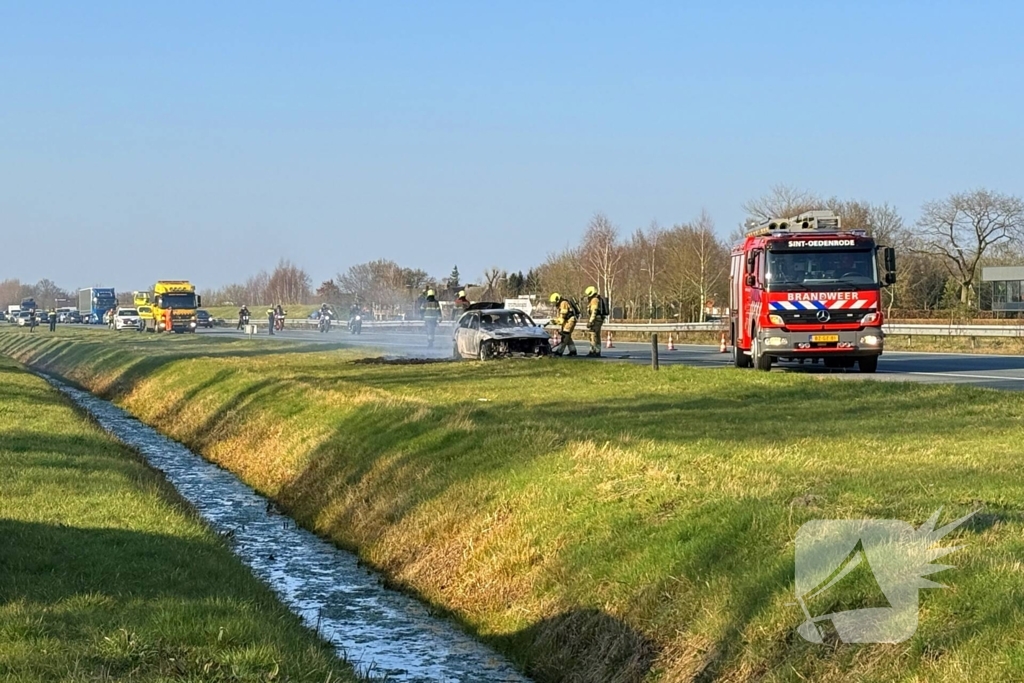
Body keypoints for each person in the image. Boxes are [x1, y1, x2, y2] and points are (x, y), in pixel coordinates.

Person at [584, 286, 606, 357]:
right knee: (597, 335)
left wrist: (590, 321)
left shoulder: (594, 300)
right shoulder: (597, 298)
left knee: (592, 334)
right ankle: (597, 351)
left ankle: (593, 351)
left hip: (596, 319)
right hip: (599, 319)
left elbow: (594, 311)